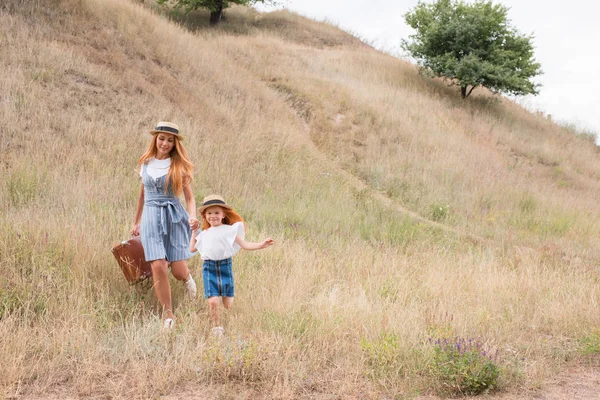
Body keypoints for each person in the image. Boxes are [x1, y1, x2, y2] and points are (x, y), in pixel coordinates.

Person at [130, 121, 200, 329]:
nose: (165, 143)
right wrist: (136, 222)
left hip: (173, 216)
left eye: (170, 140)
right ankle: (168, 316)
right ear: (155, 139)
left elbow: (190, 198)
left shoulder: (178, 166)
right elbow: (142, 196)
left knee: (177, 270)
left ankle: (187, 280)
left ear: (175, 143)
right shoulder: (146, 163)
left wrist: (192, 217)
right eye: (162, 138)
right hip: (151, 216)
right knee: (158, 264)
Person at [190, 194, 274, 337]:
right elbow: (192, 249)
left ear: (223, 214)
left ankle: (227, 307)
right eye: (209, 213)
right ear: (205, 216)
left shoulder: (229, 231)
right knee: (213, 301)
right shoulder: (204, 234)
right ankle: (217, 327)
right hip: (209, 268)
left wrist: (261, 244)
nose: (213, 216)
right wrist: (193, 232)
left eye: (216, 212)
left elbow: (245, 244)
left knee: (227, 304)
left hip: (225, 267)